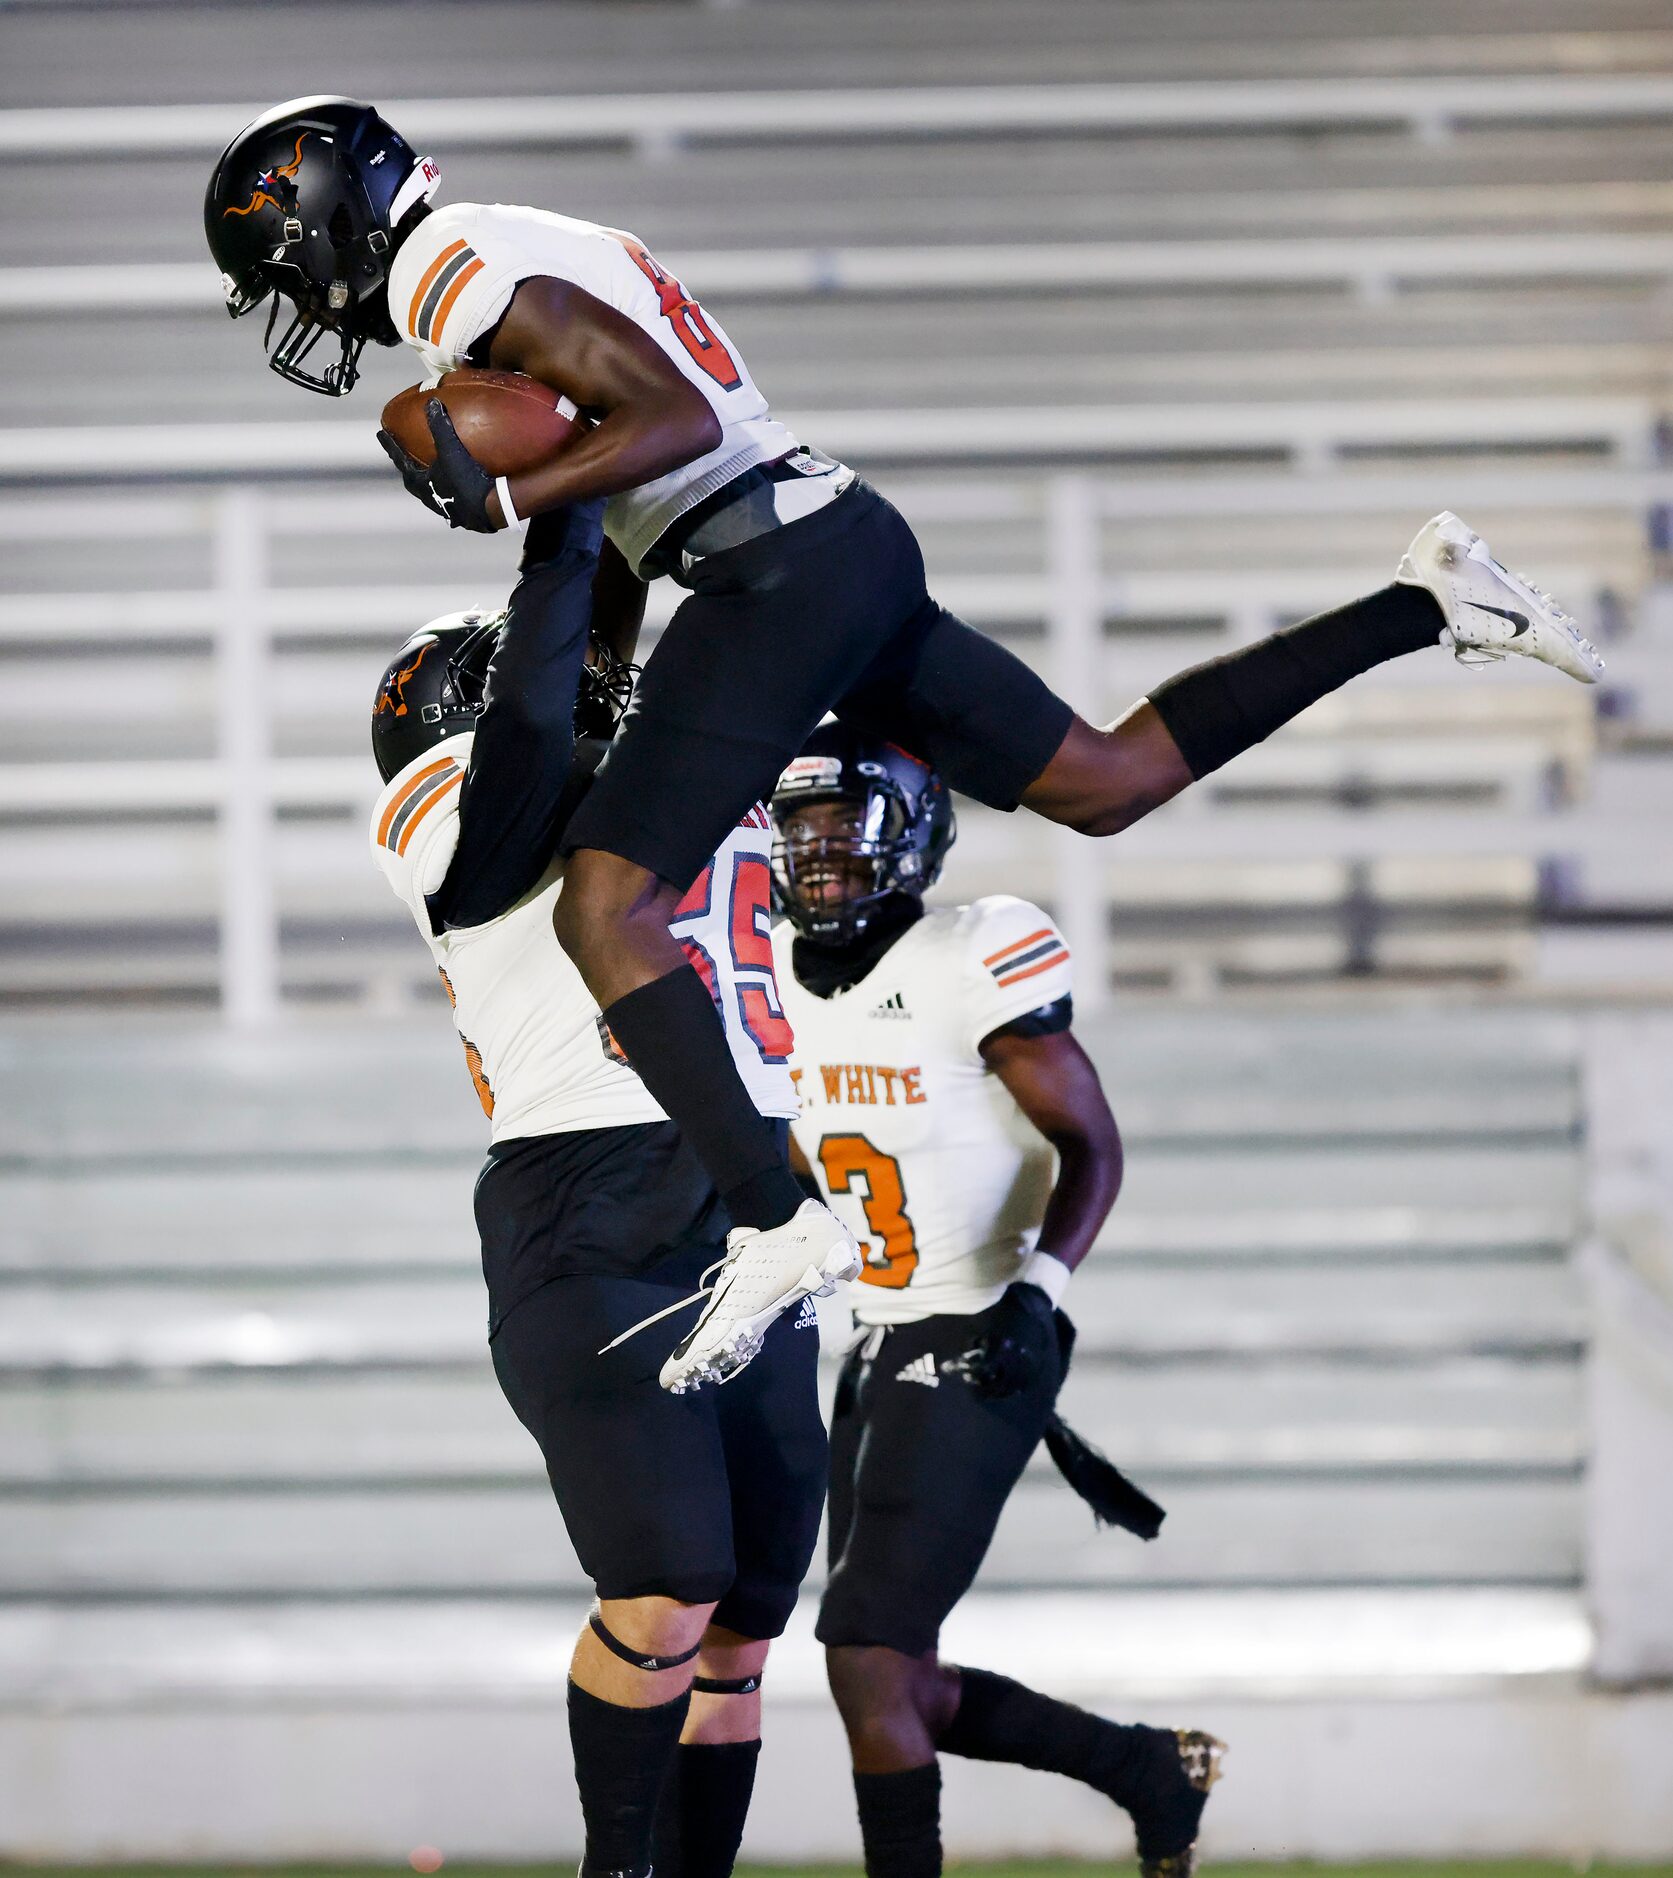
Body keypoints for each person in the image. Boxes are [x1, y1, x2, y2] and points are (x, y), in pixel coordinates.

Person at [209, 96, 1605, 1392]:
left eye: (274, 262)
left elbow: (671, 425)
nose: (291, 301)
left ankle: (773, 1218)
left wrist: (505, 503)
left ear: (318, 215)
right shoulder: (521, 242)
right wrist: (597, 645)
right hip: (828, 542)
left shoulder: (439, 264)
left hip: (771, 565)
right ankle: (1427, 598)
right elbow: (621, 492)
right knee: (1104, 780)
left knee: (603, 904)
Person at [367, 505, 828, 1878]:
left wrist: (638, 470)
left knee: (746, 1611)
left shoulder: (649, 788)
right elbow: (528, 725)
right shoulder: (466, 813)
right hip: (593, 1202)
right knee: (668, 1575)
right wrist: (567, 512)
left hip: (743, 1194)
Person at [768, 725, 1219, 1878]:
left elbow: (1091, 1146)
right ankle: (1141, 1769)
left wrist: (1038, 1294)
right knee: (885, 1671)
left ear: (911, 840)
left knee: (867, 1652)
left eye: (846, 828)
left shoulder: (972, 954)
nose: (821, 854)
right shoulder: (771, 965)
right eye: (803, 829)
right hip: (879, 1329)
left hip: (981, 1325)